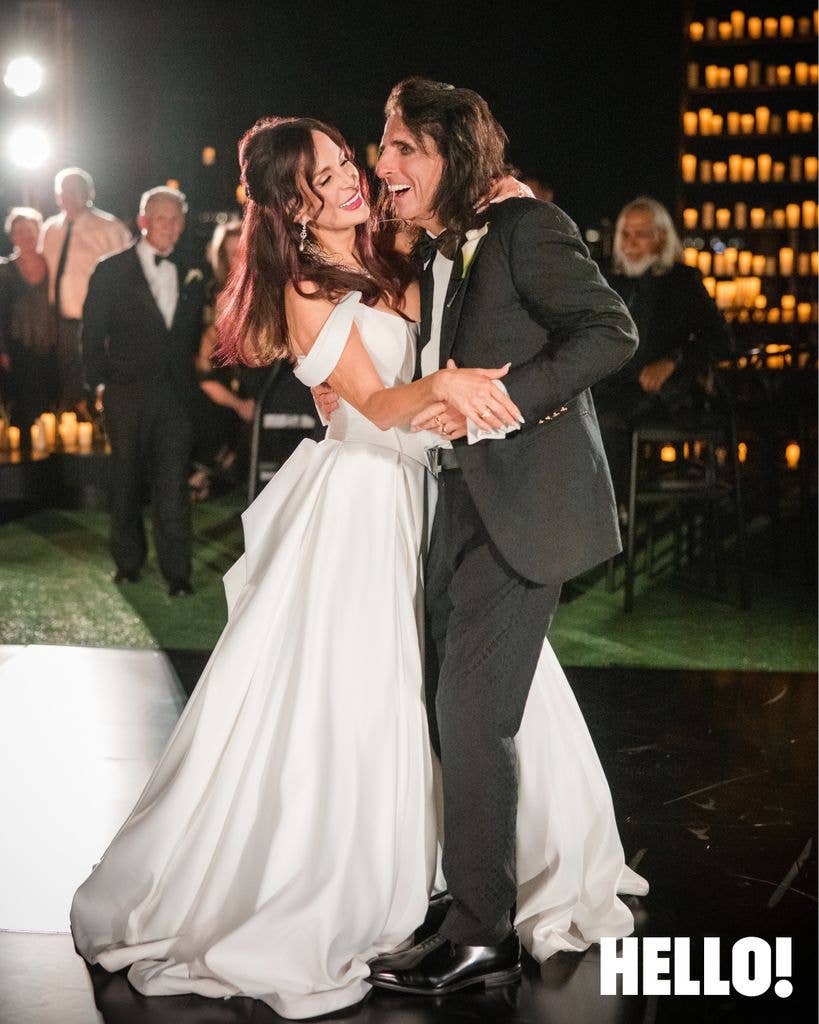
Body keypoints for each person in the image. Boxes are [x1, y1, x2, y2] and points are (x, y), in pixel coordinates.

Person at [70, 115, 646, 1020]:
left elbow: (469, 241)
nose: (351, 181)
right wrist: (448, 386)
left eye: (349, 163)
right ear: (288, 205)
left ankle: (469, 887)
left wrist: (500, 199)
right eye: (326, 177)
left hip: (435, 492)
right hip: (362, 498)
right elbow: (375, 406)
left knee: (461, 690)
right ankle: (369, 882)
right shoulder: (302, 286)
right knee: (360, 697)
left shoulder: (398, 252)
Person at [80, 187, 205, 595]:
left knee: (173, 486)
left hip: (175, 397)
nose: (171, 227)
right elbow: (92, 333)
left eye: (177, 219)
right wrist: (98, 384)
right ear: (143, 220)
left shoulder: (193, 269)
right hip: (126, 394)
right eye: (163, 218)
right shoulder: (111, 269)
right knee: (127, 480)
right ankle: (128, 563)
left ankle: (178, 574)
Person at [594, 196, 734, 506]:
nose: (630, 242)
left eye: (640, 234)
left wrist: (673, 361)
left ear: (660, 237)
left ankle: (613, 512)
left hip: (664, 392)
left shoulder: (682, 281)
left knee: (605, 420)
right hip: (610, 384)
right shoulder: (608, 280)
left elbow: (721, 340)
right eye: (624, 234)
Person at [40, 167, 132, 413]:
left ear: (89, 193)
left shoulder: (109, 228)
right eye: (63, 192)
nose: (68, 196)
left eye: (74, 190)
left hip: (98, 324)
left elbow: (128, 276)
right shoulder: (49, 229)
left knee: (95, 382)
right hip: (60, 323)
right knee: (66, 386)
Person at [189, 220, 255, 501]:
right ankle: (205, 472)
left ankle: (209, 475)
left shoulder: (269, 288)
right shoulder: (216, 295)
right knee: (207, 392)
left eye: (243, 250)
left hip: (257, 372)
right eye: (232, 253)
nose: (239, 258)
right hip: (223, 371)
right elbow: (208, 352)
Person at [0, 208, 56, 430]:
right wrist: (2, 350)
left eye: (30, 230)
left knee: (51, 406)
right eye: (19, 231)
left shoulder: (52, 263)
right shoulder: (4, 271)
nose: (25, 236)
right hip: (17, 347)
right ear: (12, 236)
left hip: (51, 346)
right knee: (22, 408)